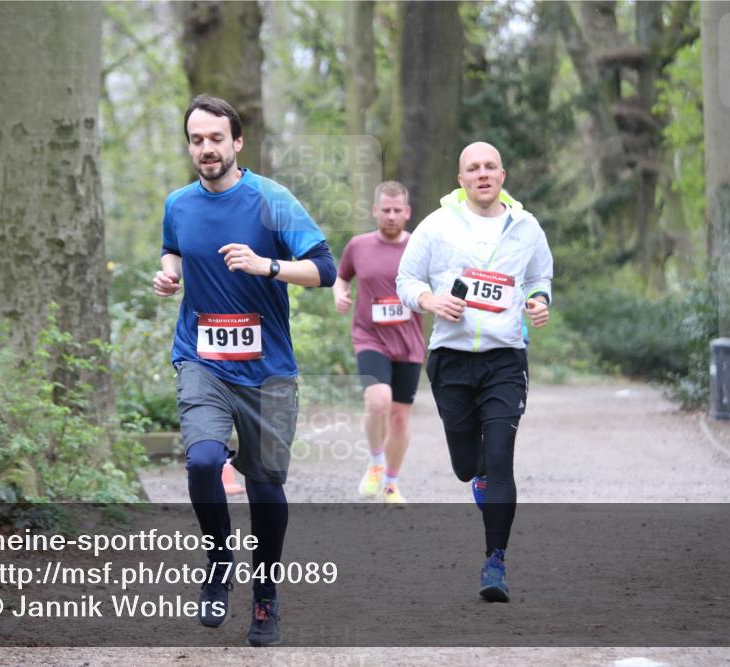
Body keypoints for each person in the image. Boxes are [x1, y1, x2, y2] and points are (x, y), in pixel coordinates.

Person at [153, 95, 336, 645]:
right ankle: (217, 562)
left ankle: (265, 597)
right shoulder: (179, 204)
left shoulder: (271, 200)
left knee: (264, 487)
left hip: (269, 370)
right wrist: (168, 275)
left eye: (215, 139)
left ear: (236, 143)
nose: (205, 149)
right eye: (196, 140)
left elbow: (324, 269)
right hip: (201, 359)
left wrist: (269, 266)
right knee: (204, 458)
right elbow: (171, 249)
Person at [396, 141, 552, 603]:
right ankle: (479, 476)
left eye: (490, 166)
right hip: (452, 358)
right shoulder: (436, 226)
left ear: (502, 175)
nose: (482, 174)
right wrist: (430, 301)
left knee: (500, 458)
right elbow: (407, 280)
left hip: (505, 358)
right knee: (468, 466)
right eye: (472, 168)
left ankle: (495, 563)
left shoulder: (526, 228)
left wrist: (540, 301)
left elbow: (541, 278)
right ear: (461, 179)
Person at [333, 181, 425, 504]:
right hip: (369, 336)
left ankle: (391, 483)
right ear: (375, 211)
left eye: (397, 210)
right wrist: (340, 294)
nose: (390, 216)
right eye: (385, 210)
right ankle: (375, 461)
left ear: (407, 212)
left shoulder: (420, 246)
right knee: (378, 401)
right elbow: (342, 276)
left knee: (400, 415)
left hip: (409, 341)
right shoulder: (358, 246)